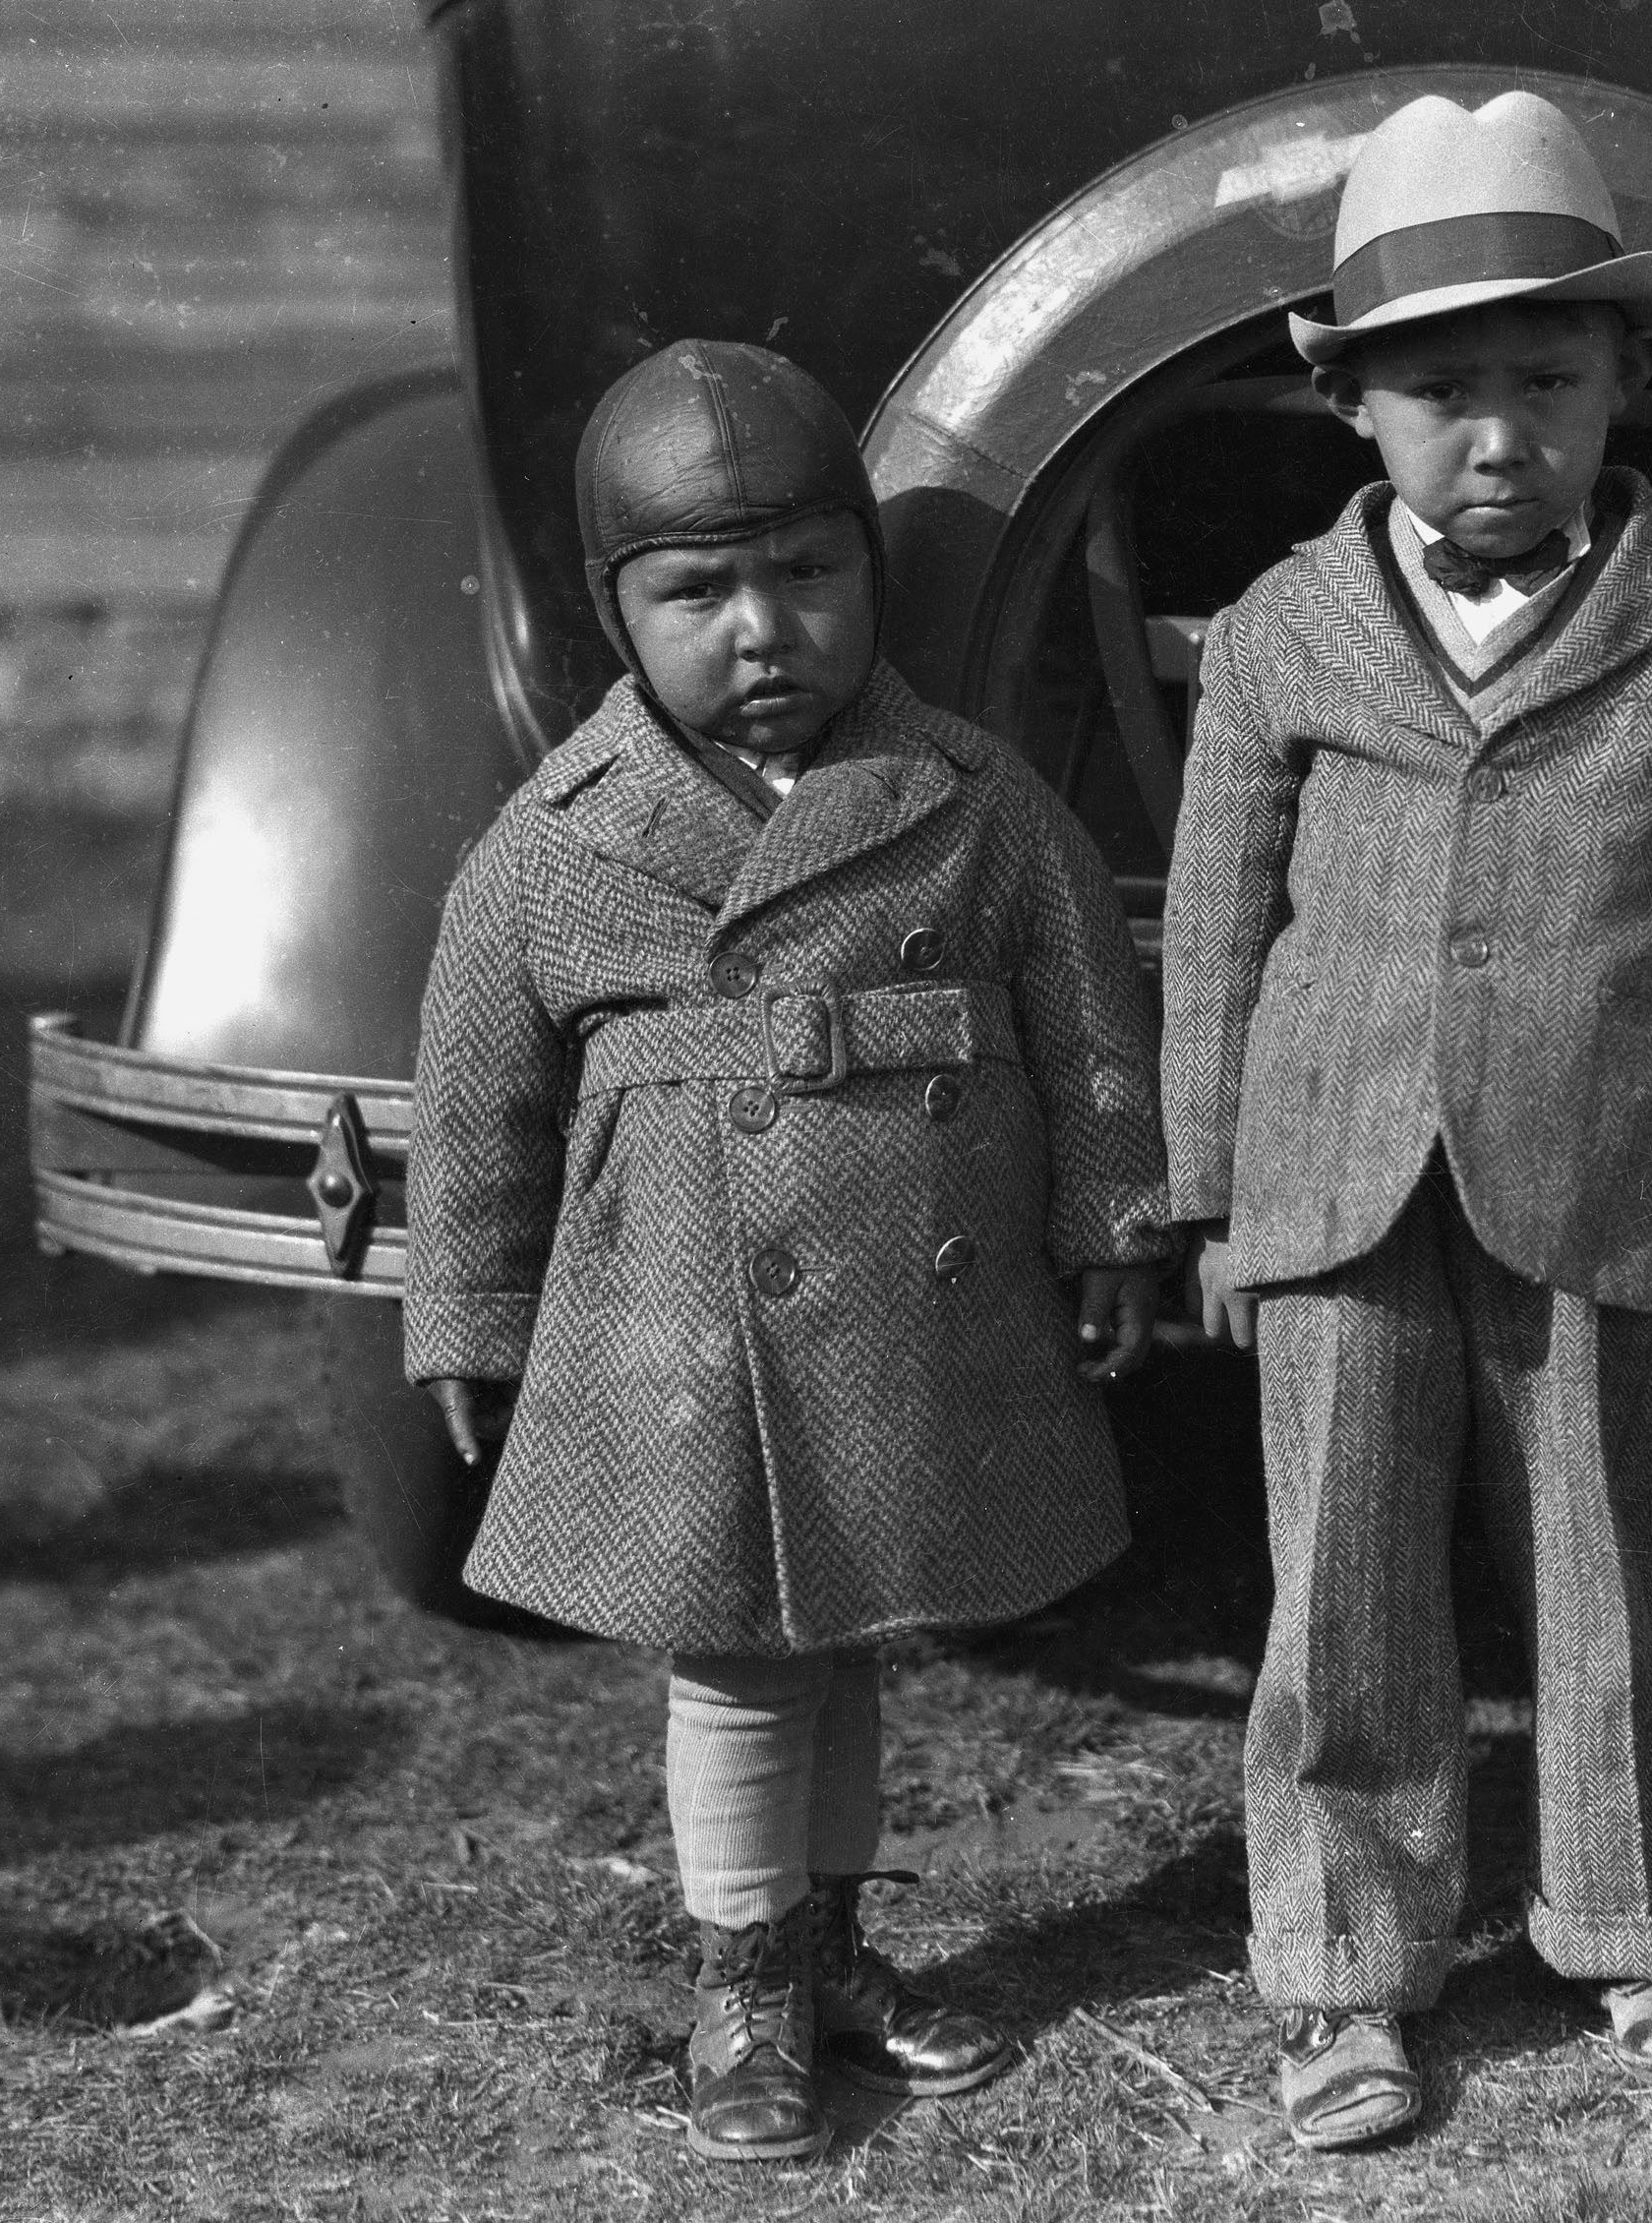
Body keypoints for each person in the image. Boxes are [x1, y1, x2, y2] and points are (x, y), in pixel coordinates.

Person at [1159, 90, 1652, 2152]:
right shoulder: (1283, 631)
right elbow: (1213, 925)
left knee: (1593, 1564)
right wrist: (1205, 1189)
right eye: (1438, 390)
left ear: (1627, 377)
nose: (1495, 436)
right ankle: (1348, 1974)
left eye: (1544, 382)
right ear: (1349, 404)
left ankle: (1628, 1922)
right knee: (1344, 1583)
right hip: (1333, 1181)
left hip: (1601, 1175)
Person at [404, 339, 1174, 2164]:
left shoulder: (972, 798)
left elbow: (1086, 1027)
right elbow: (475, 1098)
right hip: (671, 1315)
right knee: (735, 1654)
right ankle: (739, 1972)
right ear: (619, 611)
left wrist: (1114, 1222)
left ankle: (827, 1951)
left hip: (917, 1295)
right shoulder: (552, 845)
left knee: (847, 1640)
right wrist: (467, 1311)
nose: (764, 629)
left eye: (809, 575)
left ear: (869, 576)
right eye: (699, 591)